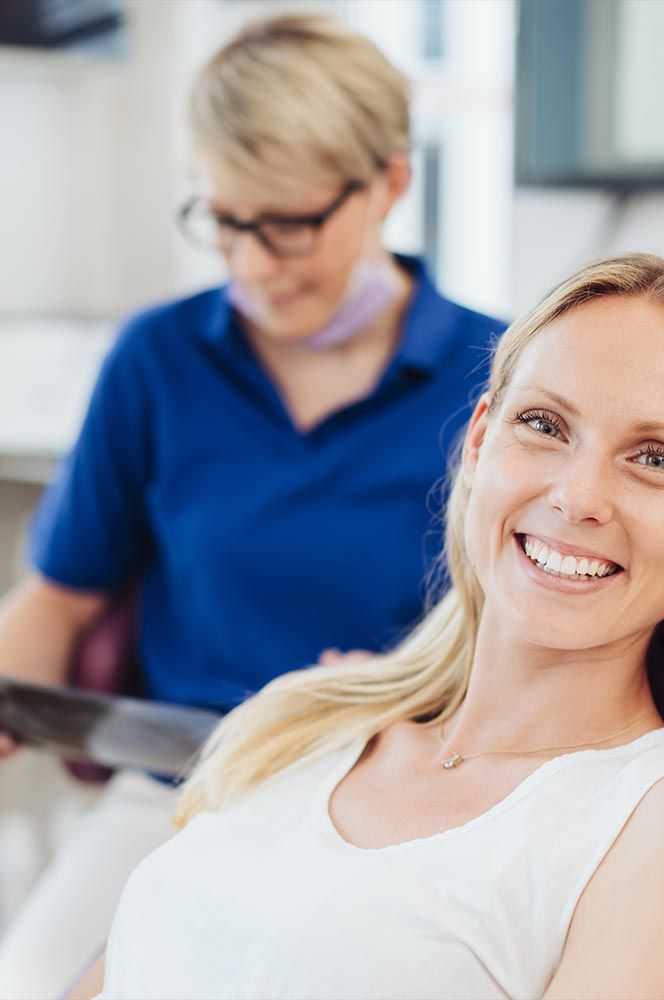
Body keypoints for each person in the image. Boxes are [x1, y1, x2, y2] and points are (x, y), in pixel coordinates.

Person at [93, 252, 664, 999]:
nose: (579, 496)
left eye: (655, 457)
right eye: (544, 424)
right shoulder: (306, 717)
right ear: (480, 438)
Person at [0, 14, 502, 997]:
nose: (253, 265)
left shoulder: (498, 376)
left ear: (389, 184)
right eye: (226, 222)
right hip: (183, 781)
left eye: (289, 225)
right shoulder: (158, 359)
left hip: (394, 794)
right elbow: (57, 598)